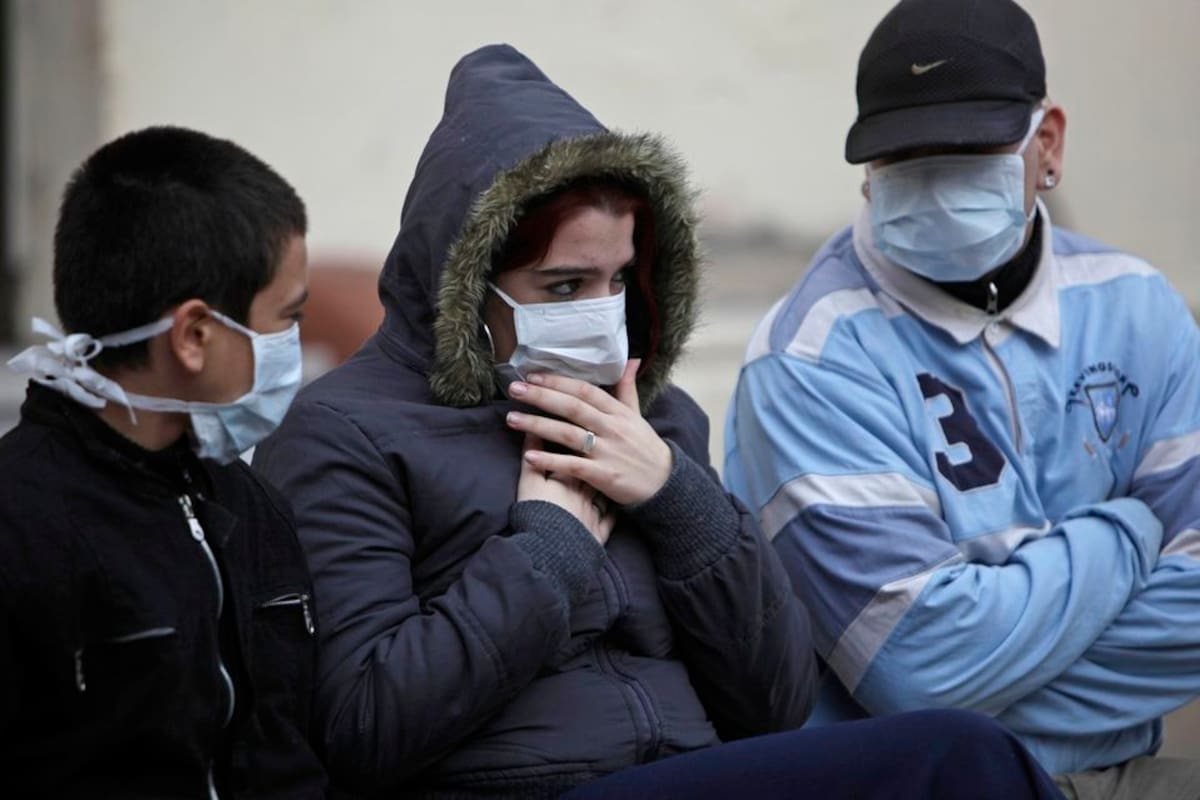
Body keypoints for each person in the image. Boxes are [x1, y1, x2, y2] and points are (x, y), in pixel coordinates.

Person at [254, 44, 1063, 800]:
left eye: (617, 281)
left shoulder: (653, 415)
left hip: (688, 770)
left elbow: (775, 702)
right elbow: (360, 729)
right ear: (467, 286)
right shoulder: (345, 431)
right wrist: (547, 549)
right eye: (564, 288)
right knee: (958, 760)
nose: (603, 314)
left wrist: (680, 500)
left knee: (968, 753)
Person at [723, 1, 1200, 798]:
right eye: (907, 160)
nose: (938, 184)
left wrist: (995, 682)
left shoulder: (1138, 306)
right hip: (923, 785)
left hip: (1128, 773)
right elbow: (922, 675)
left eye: (967, 152)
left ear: (1046, 144)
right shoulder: (808, 357)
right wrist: (1128, 531)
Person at [0, 127, 327, 798]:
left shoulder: (252, 507)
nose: (295, 344)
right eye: (284, 317)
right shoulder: (21, 528)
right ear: (195, 335)